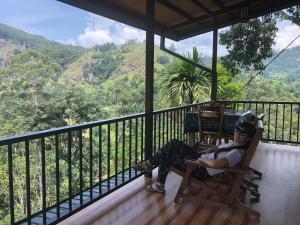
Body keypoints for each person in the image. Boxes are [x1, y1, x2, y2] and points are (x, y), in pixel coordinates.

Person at [133, 121, 256, 194]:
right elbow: (221, 151)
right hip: (201, 158)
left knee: (168, 154)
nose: (238, 134)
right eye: (237, 130)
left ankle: (151, 170)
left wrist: (201, 160)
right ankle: (154, 175)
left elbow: (217, 164)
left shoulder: (237, 153)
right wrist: (213, 149)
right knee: (173, 145)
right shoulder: (233, 145)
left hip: (200, 168)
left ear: (249, 138)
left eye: (243, 133)